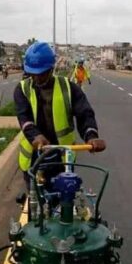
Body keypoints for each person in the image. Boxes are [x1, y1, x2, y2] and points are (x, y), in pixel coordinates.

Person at [13, 41, 105, 186]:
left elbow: (84, 114)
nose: (37, 79)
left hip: (62, 158)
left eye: (41, 74)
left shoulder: (69, 88)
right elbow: (24, 118)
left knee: (66, 197)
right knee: (35, 202)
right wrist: (35, 136)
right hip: (33, 157)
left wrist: (91, 135)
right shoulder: (22, 89)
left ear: (51, 69)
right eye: (33, 74)